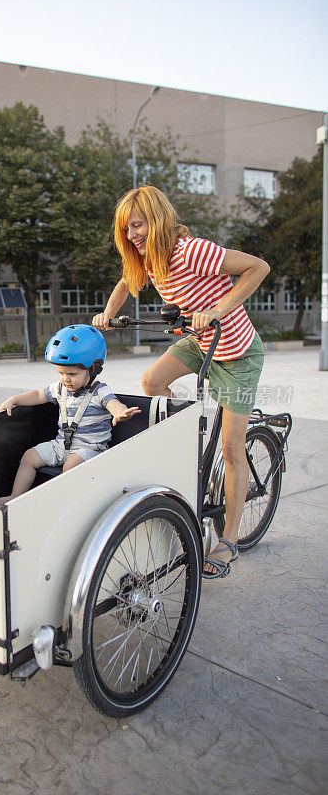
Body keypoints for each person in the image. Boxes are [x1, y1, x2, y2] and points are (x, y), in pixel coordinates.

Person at [92, 185, 269, 580]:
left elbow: (258, 267)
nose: (133, 234)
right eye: (126, 228)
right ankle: (187, 442)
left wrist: (218, 308)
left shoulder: (191, 251)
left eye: (137, 225)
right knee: (152, 380)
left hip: (237, 354)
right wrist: (107, 315)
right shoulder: (148, 258)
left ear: (156, 219)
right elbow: (126, 282)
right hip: (201, 342)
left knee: (231, 447)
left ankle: (229, 540)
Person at [0, 324, 140, 506]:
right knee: (29, 457)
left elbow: (113, 403)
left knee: (70, 466)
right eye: (61, 372)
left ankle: (62, 504)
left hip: (90, 448)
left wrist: (120, 412)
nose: (65, 378)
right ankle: (15, 496)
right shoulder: (60, 388)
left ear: (94, 368)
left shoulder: (99, 390)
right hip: (61, 444)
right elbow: (38, 395)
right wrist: (15, 399)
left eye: (72, 373)